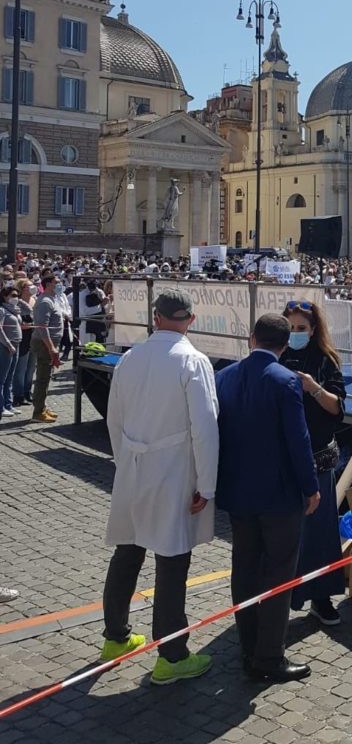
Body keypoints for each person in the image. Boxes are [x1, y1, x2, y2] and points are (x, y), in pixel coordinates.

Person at [100, 288, 218, 686]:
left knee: (128, 550)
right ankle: (171, 654)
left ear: (156, 317)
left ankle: (115, 636)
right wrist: (207, 482)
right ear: (190, 319)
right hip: (172, 469)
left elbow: (113, 419)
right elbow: (205, 429)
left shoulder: (131, 357)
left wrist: (125, 462)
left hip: (134, 465)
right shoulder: (193, 361)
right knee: (172, 560)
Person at [215, 314, 320, 683]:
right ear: (285, 344)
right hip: (278, 495)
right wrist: (311, 486)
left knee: (243, 568)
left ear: (251, 339)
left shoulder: (224, 376)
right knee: (279, 573)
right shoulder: (285, 380)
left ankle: (247, 644)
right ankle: (269, 655)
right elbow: (298, 439)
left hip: (238, 490)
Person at [279, 299, 347, 626]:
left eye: (301, 329)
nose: (295, 334)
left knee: (319, 530)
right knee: (286, 532)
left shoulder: (326, 360)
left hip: (318, 457)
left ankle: (321, 597)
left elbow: (337, 407)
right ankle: (283, 598)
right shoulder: (277, 355)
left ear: (314, 329)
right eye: (290, 328)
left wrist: (314, 388)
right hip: (283, 458)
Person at [30, 272, 64, 423]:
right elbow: (42, 327)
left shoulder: (52, 299)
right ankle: (38, 412)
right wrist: (51, 347)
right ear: (49, 284)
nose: (60, 284)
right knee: (43, 378)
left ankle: (42, 406)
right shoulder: (44, 302)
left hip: (50, 343)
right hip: (44, 344)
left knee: (46, 376)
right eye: (57, 282)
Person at [12, 277, 35, 409]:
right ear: (22, 289)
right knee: (21, 368)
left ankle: (27, 392)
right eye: (28, 286)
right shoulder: (17, 303)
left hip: (34, 338)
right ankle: (18, 395)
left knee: (31, 368)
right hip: (23, 338)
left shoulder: (34, 300)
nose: (32, 287)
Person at [0, 285, 22, 417]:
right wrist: (8, 344)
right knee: (2, 378)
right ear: (5, 297)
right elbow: (0, 329)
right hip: (5, 346)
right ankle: (1, 407)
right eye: (13, 296)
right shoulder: (2, 310)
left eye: (17, 296)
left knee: (10, 377)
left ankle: (8, 404)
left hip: (16, 344)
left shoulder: (14, 310)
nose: (16, 298)